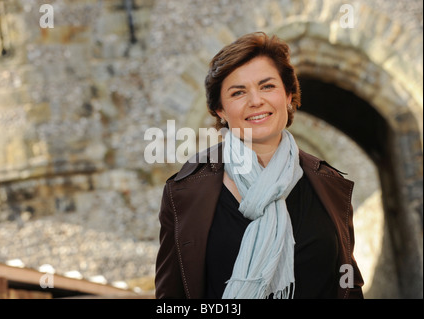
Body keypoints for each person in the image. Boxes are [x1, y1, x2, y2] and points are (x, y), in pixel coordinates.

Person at [155, 31, 364, 299]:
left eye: (267, 86)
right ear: (220, 110)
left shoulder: (329, 184)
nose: (256, 101)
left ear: (288, 96)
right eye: (238, 92)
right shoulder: (184, 194)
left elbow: (349, 286)